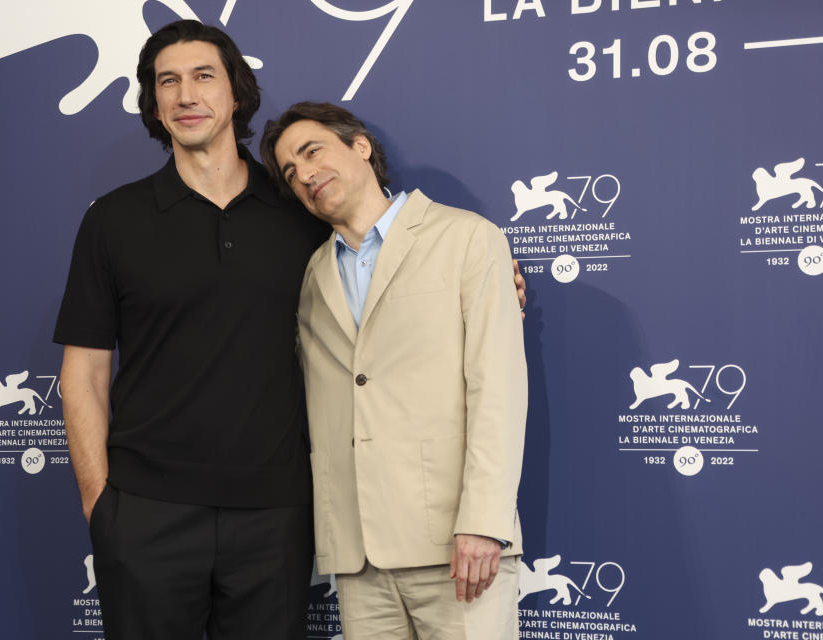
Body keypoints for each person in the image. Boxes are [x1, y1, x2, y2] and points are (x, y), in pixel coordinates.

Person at [53, 21, 327, 640]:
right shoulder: (113, 220)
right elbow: (85, 373)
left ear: (236, 93)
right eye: (166, 81)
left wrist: (494, 279)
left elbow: (391, 270)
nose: (185, 95)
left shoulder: (302, 212)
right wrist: (103, 510)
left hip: (275, 513)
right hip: (146, 512)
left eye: (204, 76)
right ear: (152, 104)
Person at [261, 102, 528, 639]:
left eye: (312, 152)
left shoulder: (466, 238)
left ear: (360, 146)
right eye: (290, 172)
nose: (305, 175)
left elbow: (498, 389)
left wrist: (483, 522)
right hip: (358, 559)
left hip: (457, 546)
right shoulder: (310, 276)